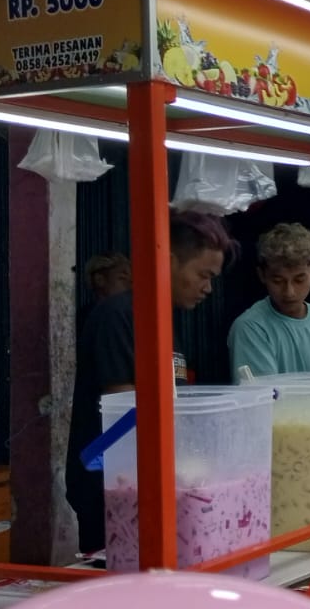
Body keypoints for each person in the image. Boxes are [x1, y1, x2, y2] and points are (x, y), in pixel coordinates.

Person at [65, 211, 236, 556]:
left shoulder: (162, 319)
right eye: (203, 275)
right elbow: (124, 416)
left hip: (154, 488)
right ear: (169, 260)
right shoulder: (119, 316)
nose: (208, 288)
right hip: (115, 493)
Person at [228, 223, 310, 378]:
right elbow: (265, 395)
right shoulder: (251, 327)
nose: (289, 292)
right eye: (278, 281)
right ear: (262, 275)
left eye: (299, 280)